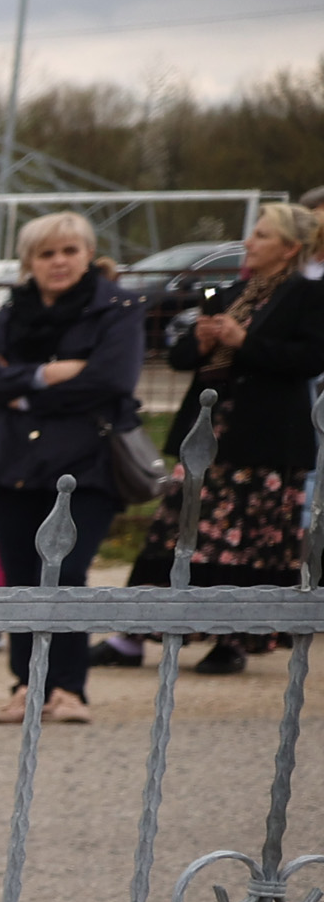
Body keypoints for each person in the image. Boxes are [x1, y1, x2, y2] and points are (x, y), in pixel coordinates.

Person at [0, 211, 141, 723]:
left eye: (69, 251)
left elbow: (111, 380)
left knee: (66, 571)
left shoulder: (119, 307)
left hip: (84, 462)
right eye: (46, 254)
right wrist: (47, 375)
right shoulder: (11, 310)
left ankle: (69, 688)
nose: (59, 262)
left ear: (88, 254)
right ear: (29, 263)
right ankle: (28, 685)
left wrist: (21, 390)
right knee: (22, 576)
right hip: (12, 462)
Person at [149, 201, 324, 675]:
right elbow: (183, 358)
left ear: (290, 248)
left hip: (263, 438)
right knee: (182, 529)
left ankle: (233, 636)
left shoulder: (307, 295)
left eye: (262, 235)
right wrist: (204, 341)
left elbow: (309, 359)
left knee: (242, 537)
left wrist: (245, 342)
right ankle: (152, 626)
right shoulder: (231, 291)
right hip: (209, 431)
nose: (250, 243)